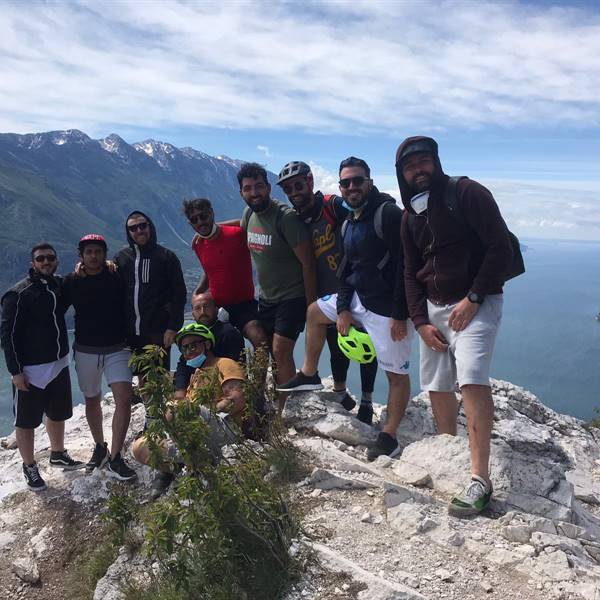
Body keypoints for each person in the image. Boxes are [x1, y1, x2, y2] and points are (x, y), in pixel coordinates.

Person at [396, 135, 514, 515]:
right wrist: (419, 322)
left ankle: (480, 477)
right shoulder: (410, 215)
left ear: (436, 162)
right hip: (433, 308)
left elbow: (500, 247)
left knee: (472, 378)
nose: (418, 169)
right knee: (435, 383)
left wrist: (474, 297)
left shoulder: (466, 193)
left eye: (424, 161)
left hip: (477, 302)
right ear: (402, 173)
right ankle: (449, 449)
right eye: (410, 165)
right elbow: (411, 273)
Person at [278, 157, 413, 461]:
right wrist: (342, 308)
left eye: (357, 180)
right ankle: (310, 373)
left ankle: (389, 435)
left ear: (370, 182)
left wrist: (401, 313)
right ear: (340, 186)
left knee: (396, 375)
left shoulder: (387, 214)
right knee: (314, 312)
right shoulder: (350, 221)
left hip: (388, 308)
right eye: (346, 182)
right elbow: (348, 269)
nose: (352, 186)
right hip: (359, 299)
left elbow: (409, 264)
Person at [276, 161, 379, 424]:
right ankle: (341, 394)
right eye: (289, 189)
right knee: (337, 347)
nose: (294, 192)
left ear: (310, 182)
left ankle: (367, 401)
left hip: (358, 289)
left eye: (298, 185)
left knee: (367, 348)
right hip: (329, 293)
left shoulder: (333, 206)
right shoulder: (295, 220)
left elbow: (365, 208)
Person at [132, 323, 250, 496]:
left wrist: (205, 409)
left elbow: (237, 399)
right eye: (184, 349)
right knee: (141, 446)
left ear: (207, 344)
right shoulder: (195, 375)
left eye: (193, 345)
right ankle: (190, 466)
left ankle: (188, 468)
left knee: (180, 406)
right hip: (196, 436)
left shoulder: (224, 363)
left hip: (225, 429)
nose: (189, 352)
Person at [0, 243, 83, 491]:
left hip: (58, 362)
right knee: (26, 421)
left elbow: (76, 279)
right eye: (40, 258)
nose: (46, 262)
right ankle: (29, 466)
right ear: (32, 262)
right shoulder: (18, 294)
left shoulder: (57, 285)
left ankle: (57, 453)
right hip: (31, 369)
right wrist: (15, 372)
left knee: (57, 413)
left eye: (50, 258)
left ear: (56, 261)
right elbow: (7, 335)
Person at [237, 162, 317, 409]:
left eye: (259, 186)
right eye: (248, 188)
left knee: (281, 351)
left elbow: (308, 264)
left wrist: (311, 306)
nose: (254, 193)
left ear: (269, 188)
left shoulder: (286, 218)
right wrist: (212, 229)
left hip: (292, 296)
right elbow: (238, 229)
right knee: (272, 355)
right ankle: (277, 401)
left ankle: (285, 411)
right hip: (267, 298)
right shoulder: (249, 215)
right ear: (242, 193)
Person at [62, 234, 137, 481]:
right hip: (86, 350)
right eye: (89, 252)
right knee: (92, 399)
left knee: (124, 399)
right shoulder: (72, 281)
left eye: (98, 252)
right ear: (81, 256)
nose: (93, 256)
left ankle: (115, 457)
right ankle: (99, 446)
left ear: (105, 254)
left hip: (117, 348)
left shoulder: (116, 276)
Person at [183, 197, 268, 351]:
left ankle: (257, 376)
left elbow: (247, 222)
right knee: (211, 347)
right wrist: (198, 290)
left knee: (260, 340)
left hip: (244, 304)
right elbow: (210, 271)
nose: (200, 222)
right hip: (217, 307)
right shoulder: (198, 245)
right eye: (194, 220)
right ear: (190, 223)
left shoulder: (236, 234)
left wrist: (219, 225)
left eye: (203, 216)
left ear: (211, 213)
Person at [114, 211, 187, 371]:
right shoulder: (121, 258)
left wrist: (173, 327)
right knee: (140, 376)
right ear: (128, 232)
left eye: (142, 225)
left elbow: (179, 294)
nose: (139, 230)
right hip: (130, 333)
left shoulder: (166, 257)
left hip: (158, 332)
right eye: (133, 228)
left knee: (157, 378)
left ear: (150, 227)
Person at [174, 291, 245, 399]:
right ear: (193, 313)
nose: (203, 311)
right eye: (197, 308)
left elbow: (234, 367)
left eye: (206, 306)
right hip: (197, 389)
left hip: (221, 390)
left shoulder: (228, 334)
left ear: (216, 309)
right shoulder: (193, 336)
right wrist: (180, 391)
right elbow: (183, 365)